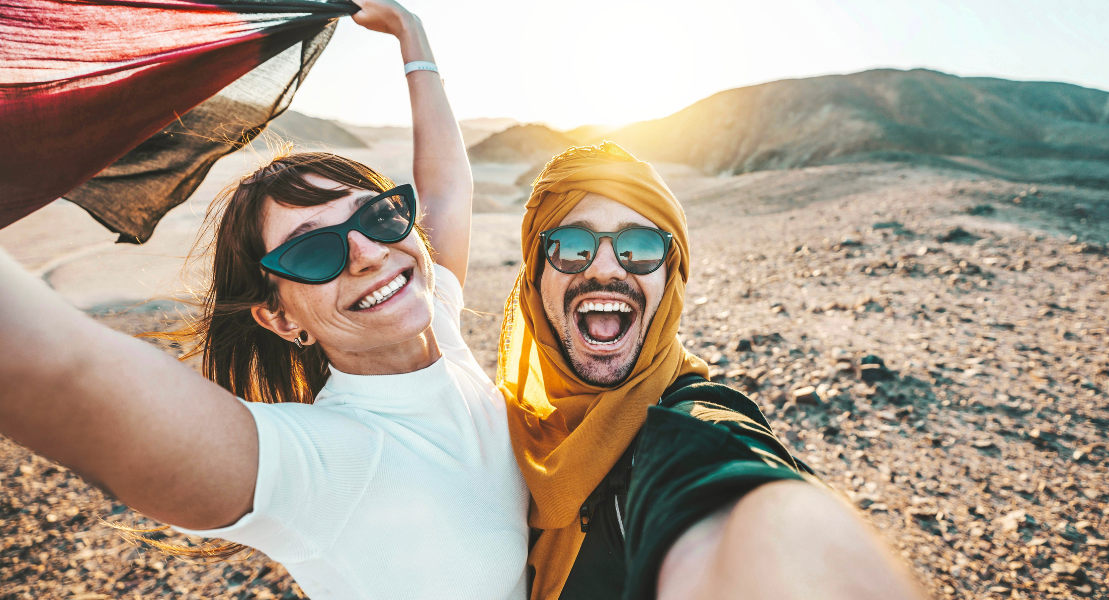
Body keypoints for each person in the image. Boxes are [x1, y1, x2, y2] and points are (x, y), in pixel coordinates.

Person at [0, 1, 530, 598]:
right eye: (311, 252)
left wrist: (412, 34)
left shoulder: (440, 326)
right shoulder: (322, 464)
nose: (369, 253)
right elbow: (60, 371)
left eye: (377, 215)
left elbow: (447, 188)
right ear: (279, 316)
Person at [497, 142, 927, 600]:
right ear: (535, 276)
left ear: (671, 277)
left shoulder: (690, 426)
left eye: (640, 247)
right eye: (572, 245)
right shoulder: (507, 433)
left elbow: (747, 508)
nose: (604, 268)